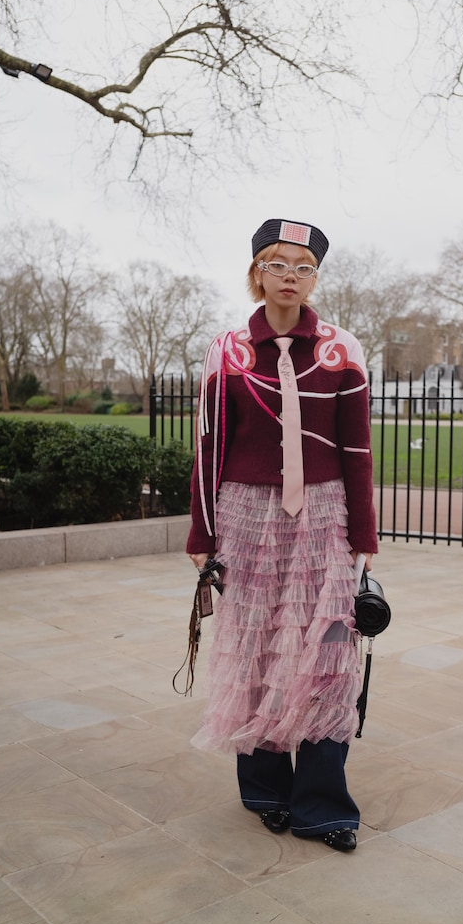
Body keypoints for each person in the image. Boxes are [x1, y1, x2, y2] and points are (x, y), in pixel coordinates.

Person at [187, 218, 377, 852]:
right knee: (258, 648)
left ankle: (323, 806)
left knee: (329, 654)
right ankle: (266, 790)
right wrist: (202, 533)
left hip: (325, 517)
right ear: (257, 273)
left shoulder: (342, 348)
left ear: (315, 277)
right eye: (278, 264)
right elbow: (209, 448)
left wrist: (364, 536)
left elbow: (357, 450)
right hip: (246, 518)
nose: (291, 276)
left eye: (304, 267)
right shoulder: (227, 350)